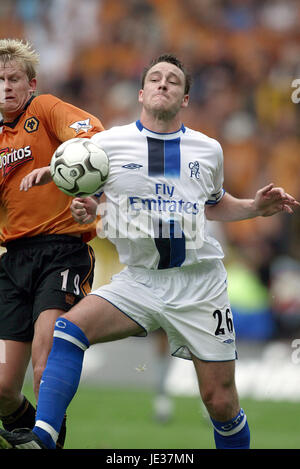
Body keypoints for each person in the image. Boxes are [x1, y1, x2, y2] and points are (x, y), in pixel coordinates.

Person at [0, 53, 298, 450]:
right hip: (139, 281)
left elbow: (211, 203)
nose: (163, 84)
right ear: (141, 93)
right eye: (155, 78)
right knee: (67, 330)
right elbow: (89, 186)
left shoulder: (208, 150)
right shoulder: (105, 144)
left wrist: (254, 208)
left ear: (185, 98)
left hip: (199, 285)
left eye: (173, 81)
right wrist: (77, 195)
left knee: (221, 402)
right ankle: (44, 438)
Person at [0, 38, 104, 448]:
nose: (5, 86)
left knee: (44, 365)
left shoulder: (44, 110)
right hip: (14, 261)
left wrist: (56, 167)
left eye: (13, 79)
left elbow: (92, 138)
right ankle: (44, 438)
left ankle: (45, 439)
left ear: (31, 84)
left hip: (62, 251)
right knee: (4, 390)